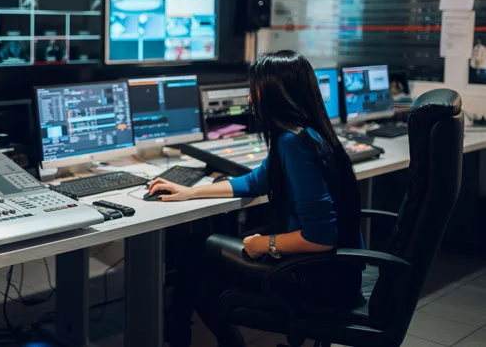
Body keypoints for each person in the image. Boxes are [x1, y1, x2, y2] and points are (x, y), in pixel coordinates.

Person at [149, 50, 364, 347]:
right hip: (339, 271)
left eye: (255, 90)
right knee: (201, 262)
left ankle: (187, 336)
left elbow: (321, 237)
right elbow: (256, 181)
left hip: (317, 277)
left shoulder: (293, 143)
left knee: (199, 256)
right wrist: (190, 191)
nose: (251, 99)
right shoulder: (310, 134)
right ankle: (183, 333)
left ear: (277, 94)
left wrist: (265, 243)